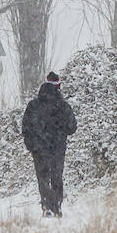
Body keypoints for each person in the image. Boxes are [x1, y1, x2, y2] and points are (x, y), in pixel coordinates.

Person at [21, 70, 77, 217]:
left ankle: (47, 205)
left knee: (43, 177)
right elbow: (72, 128)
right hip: (58, 148)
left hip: (39, 149)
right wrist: (60, 130)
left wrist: (31, 145)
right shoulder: (64, 106)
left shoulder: (33, 105)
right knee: (57, 176)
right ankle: (56, 206)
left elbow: (26, 127)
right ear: (58, 87)